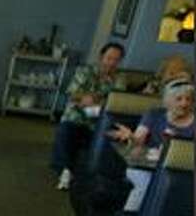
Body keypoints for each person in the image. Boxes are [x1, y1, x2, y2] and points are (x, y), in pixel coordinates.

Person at [50, 42, 124, 190]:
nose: (111, 63)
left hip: (100, 121)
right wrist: (95, 100)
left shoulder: (119, 79)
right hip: (76, 116)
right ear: (101, 57)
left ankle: (86, 173)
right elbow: (73, 94)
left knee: (106, 138)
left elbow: (117, 102)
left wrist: (93, 99)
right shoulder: (85, 72)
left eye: (116, 59)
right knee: (66, 131)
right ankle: (65, 171)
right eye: (109, 58)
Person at [109, 78, 195, 147]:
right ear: (167, 101)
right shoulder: (154, 115)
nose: (184, 104)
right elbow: (138, 141)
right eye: (179, 99)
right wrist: (131, 137)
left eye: (188, 99)